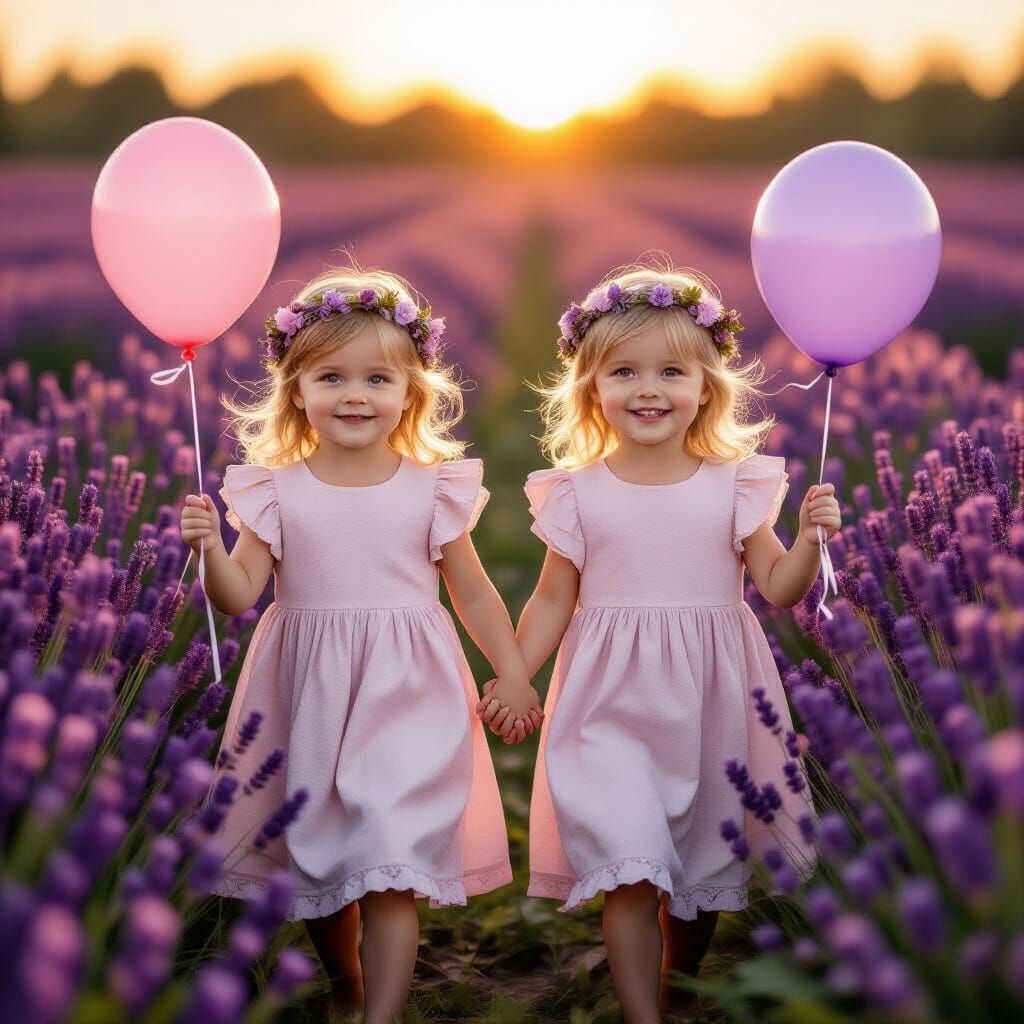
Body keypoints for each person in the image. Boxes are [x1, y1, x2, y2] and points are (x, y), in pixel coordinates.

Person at [478, 256, 839, 1023]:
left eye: (671, 371)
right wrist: (516, 675)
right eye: (624, 373)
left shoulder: (734, 482)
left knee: (701, 865)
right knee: (632, 864)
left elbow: (778, 588)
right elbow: (549, 599)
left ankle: (680, 988)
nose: (648, 390)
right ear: (592, 389)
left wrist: (809, 539)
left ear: (706, 386)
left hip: (712, 700)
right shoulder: (577, 490)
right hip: (608, 702)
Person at [180, 262, 542, 1024]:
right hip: (307, 691)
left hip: (407, 691)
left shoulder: (431, 486)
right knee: (319, 851)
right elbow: (239, 595)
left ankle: (380, 1012)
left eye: (378, 379)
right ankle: (345, 984)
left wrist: (510, 671)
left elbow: (471, 591)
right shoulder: (270, 490)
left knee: (387, 857)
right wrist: (210, 548)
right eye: (331, 377)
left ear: (411, 391)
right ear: (296, 391)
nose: (354, 395)